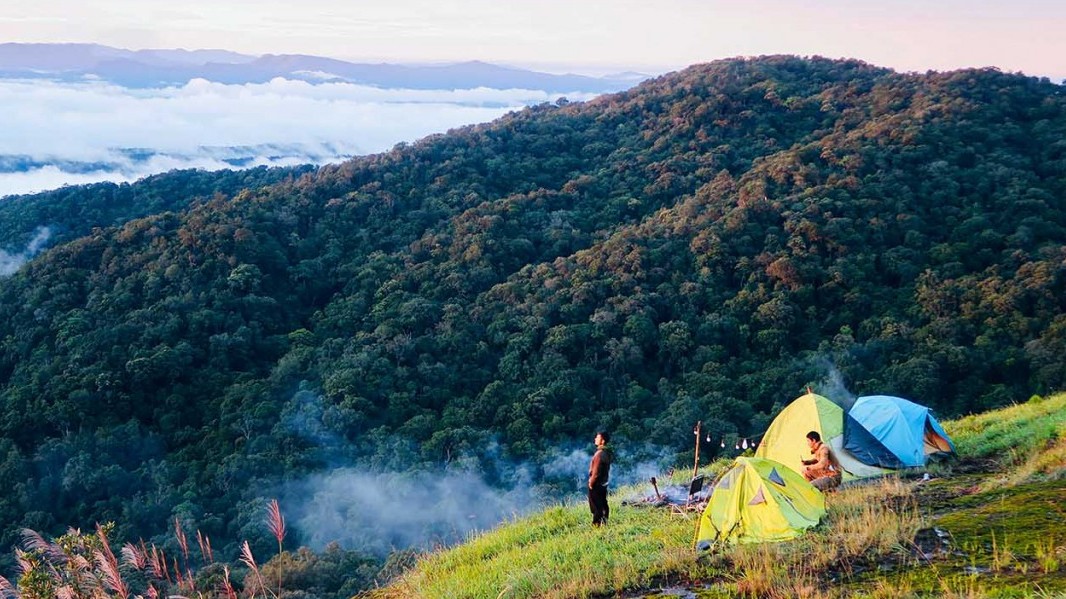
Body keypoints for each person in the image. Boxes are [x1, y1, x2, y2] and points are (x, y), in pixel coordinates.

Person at [588, 431, 613, 526]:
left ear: (602, 441)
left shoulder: (599, 454)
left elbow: (596, 472)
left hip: (597, 484)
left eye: (597, 437)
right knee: (603, 503)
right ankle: (604, 521)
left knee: (596, 506)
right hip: (603, 483)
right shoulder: (606, 453)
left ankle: (597, 524)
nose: (595, 439)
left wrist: (591, 483)